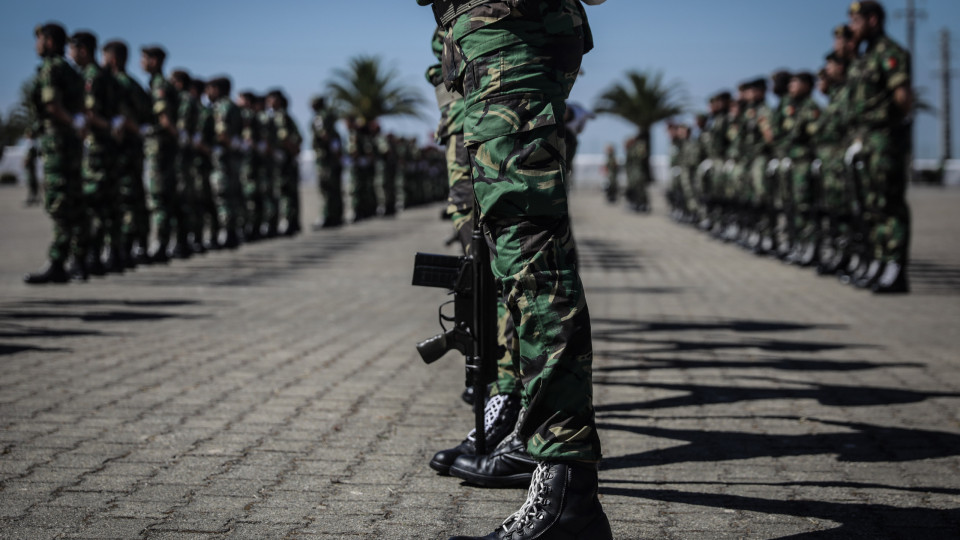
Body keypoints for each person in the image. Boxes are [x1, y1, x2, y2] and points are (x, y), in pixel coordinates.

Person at [417, 1, 611, 538]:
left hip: (507, 33)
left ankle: (564, 484)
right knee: (511, 255)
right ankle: (547, 462)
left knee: (532, 258)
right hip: (486, 39)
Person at [845, 0, 912, 293]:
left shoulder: (889, 53)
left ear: (873, 20)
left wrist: (893, 131)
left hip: (883, 139)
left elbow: (903, 97)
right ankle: (880, 262)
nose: (852, 27)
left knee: (889, 205)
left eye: (856, 21)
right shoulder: (864, 57)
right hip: (866, 140)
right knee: (872, 207)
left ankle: (895, 268)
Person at [24, 23, 86, 285]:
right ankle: (80, 260)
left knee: (60, 203)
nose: (37, 45)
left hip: (58, 144)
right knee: (73, 201)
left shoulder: (51, 68)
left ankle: (60, 262)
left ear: (49, 41)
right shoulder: (71, 71)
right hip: (70, 144)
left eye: (39, 40)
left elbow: (52, 105)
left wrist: (68, 123)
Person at [103, 40, 151, 267]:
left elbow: (125, 120)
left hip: (121, 150)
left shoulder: (117, 84)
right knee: (135, 197)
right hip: (134, 150)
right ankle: (135, 247)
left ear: (112, 58)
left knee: (123, 200)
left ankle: (123, 249)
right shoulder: (135, 84)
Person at [141, 45, 181, 263]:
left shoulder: (159, 85)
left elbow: (164, 119)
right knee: (164, 197)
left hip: (159, 148)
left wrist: (176, 137)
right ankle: (163, 243)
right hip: (165, 148)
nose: (141, 62)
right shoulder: (163, 84)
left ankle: (160, 245)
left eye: (144, 58)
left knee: (158, 198)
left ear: (154, 60)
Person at [207, 77, 243, 249]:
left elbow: (222, 133)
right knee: (233, 196)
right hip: (234, 159)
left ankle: (226, 233)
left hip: (222, 161)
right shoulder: (235, 107)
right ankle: (233, 232)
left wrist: (222, 146)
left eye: (211, 88)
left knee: (222, 197)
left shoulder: (222, 107)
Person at [310, 96, 344, 229]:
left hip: (325, 159)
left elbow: (324, 135)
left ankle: (327, 216)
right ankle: (336, 216)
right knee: (334, 188)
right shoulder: (329, 116)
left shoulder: (320, 117)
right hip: (331, 158)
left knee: (326, 188)